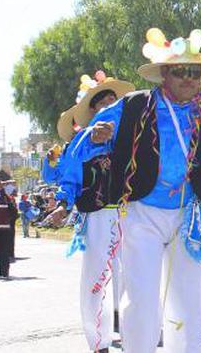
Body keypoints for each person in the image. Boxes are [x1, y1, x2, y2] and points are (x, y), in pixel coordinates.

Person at [70, 27, 201, 352]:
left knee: (187, 300)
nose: (188, 78)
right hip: (141, 213)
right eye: (180, 71)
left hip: (191, 215)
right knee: (140, 298)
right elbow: (86, 141)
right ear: (164, 74)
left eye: (194, 72)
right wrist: (97, 135)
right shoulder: (132, 105)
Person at [55, 71, 135, 353]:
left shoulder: (131, 138)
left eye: (114, 101)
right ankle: (99, 342)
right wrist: (63, 204)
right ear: (93, 111)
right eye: (102, 104)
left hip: (132, 216)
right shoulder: (82, 141)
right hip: (99, 217)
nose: (109, 106)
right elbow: (69, 175)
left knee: (134, 279)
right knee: (95, 280)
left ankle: (135, 336)